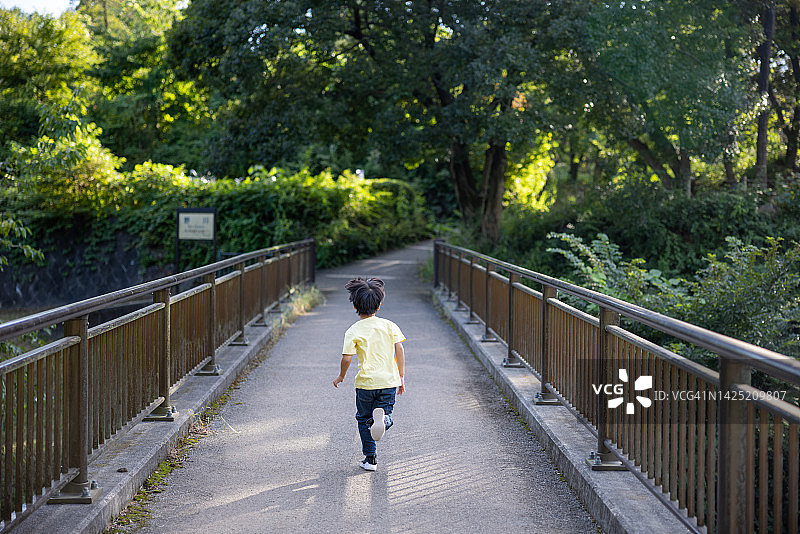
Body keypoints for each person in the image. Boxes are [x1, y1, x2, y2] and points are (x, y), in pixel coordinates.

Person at [333, 277, 405, 471]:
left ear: (355, 306)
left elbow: (347, 358)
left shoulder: (353, 330)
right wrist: (401, 377)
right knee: (383, 412)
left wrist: (341, 376)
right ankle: (385, 419)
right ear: (379, 305)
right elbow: (399, 350)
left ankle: (370, 459)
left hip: (366, 384)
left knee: (363, 419)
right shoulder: (390, 326)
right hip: (388, 381)